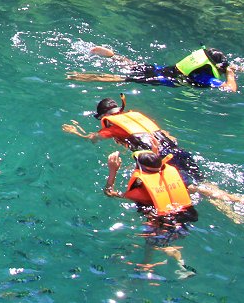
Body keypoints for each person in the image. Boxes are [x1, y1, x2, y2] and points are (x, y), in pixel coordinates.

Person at [62, 97, 244, 221]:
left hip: (162, 160)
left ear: (104, 116)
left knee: (194, 188)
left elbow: (94, 139)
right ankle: (233, 202)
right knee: (202, 185)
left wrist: (77, 133)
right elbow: (168, 136)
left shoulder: (113, 127)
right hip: (177, 151)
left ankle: (233, 204)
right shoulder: (138, 118)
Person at [103, 150, 198, 279]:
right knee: (169, 243)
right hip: (184, 217)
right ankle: (179, 264)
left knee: (151, 248)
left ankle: (146, 269)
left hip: (160, 223)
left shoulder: (138, 193)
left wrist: (113, 170)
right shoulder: (174, 177)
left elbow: (109, 193)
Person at [68, 45, 237, 92]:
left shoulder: (200, 63)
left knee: (132, 66)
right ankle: (81, 77)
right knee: (122, 79)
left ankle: (112, 56)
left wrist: (232, 67)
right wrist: (230, 73)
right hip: (166, 80)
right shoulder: (204, 77)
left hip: (163, 69)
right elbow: (230, 89)